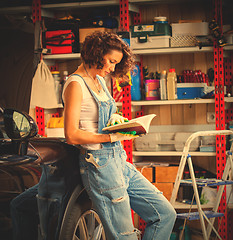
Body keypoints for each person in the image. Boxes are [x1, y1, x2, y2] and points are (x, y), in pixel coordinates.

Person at [62, 31, 176, 240]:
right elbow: (72, 135)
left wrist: (116, 119)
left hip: (118, 159)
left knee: (165, 214)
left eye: (117, 63)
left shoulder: (99, 81)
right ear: (96, 53)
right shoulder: (75, 84)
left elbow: (97, 117)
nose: (113, 68)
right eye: (111, 62)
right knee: (125, 236)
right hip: (99, 165)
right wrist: (110, 138)